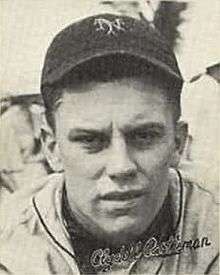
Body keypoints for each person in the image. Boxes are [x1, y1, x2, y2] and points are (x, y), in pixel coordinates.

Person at [0, 13, 218, 274]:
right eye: (90, 140)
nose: (121, 166)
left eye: (144, 136)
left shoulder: (213, 221)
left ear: (178, 142)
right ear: (51, 147)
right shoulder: (11, 247)